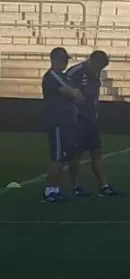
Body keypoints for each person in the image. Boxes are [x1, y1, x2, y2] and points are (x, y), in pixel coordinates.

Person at [65, 50, 120, 196]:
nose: (100, 70)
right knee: (76, 154)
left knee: (97, 151)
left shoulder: (95, 74)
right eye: (100, 66)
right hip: (76, 119)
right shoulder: (75, 72)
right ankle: (75, 185)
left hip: (90, 119)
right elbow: (65, 91)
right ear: (93, 61)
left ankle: (104, 185)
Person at [42, 47, 83, 202]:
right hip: (57, 122)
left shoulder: (63, 77)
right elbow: (74, 94)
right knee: (57, 157)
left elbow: (78, 95)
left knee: (62, 157)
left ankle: (55, 189)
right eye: (64, 59)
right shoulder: (53, 76)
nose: (66, 63)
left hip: (67, 122)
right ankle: (50, 191)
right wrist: (74, 94)